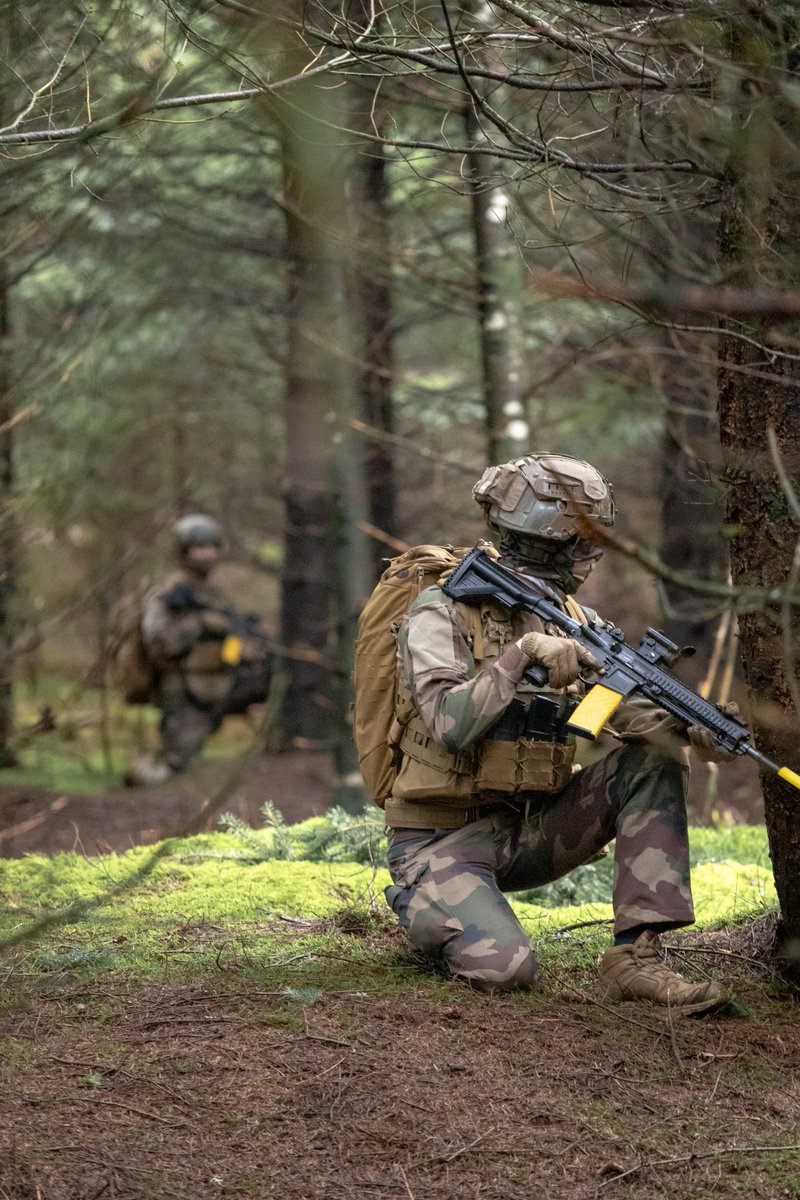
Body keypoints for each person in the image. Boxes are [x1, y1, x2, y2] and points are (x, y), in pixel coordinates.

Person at [384, 453, 735, 1012]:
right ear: (544, 539)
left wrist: (690, 731)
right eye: (580, 543)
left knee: (652, 762)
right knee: (504, 970)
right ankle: (432, 905)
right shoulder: (443, 610)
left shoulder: (575, 620)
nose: (592, 556)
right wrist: (520, 656)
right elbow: (448, 725)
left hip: (533, 829)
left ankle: (634, 959)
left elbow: (624, 716)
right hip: (440, 840)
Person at [125, 514, 271, 785]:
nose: (206, 554)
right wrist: (200, 624)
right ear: (183, 551)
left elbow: (234, 644)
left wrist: (242, 642)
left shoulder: (216, 595)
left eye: (211, 546)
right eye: (198, 547)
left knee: (195, 766)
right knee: (178, 764)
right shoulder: (169, 594)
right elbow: (160, 642)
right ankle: (142, 781)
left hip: (217, 686)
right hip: (181, 689)